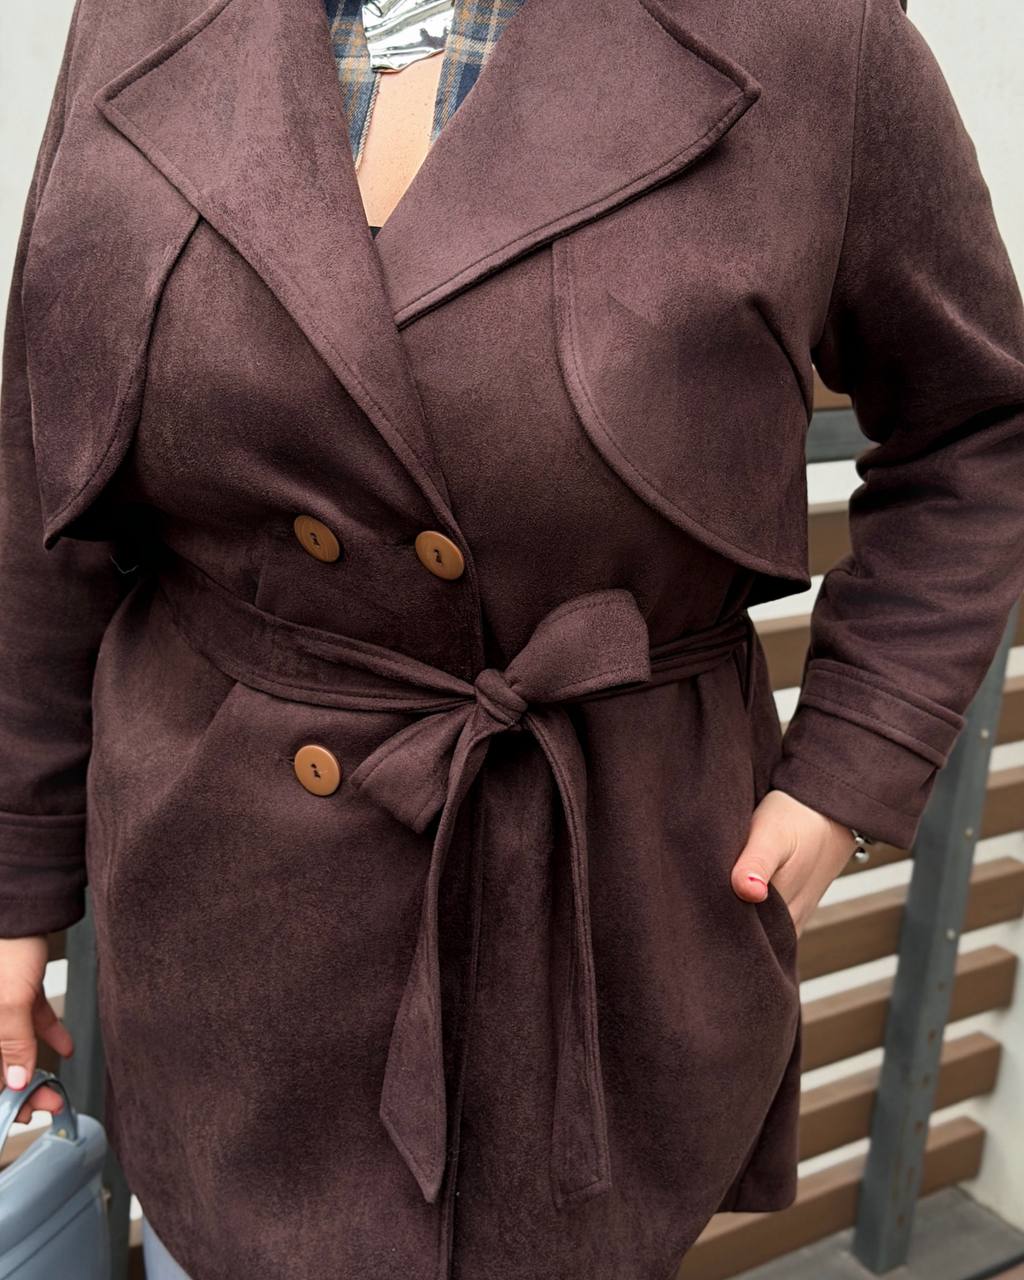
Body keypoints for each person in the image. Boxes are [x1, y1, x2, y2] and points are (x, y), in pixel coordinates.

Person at [2, 0, 1023, 1276]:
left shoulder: (817, 35)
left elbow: (979, 428)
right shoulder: (140, 15)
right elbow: (42, 456)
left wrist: (852, 763)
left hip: (600, 906)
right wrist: (18, 866)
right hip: (226, 931)